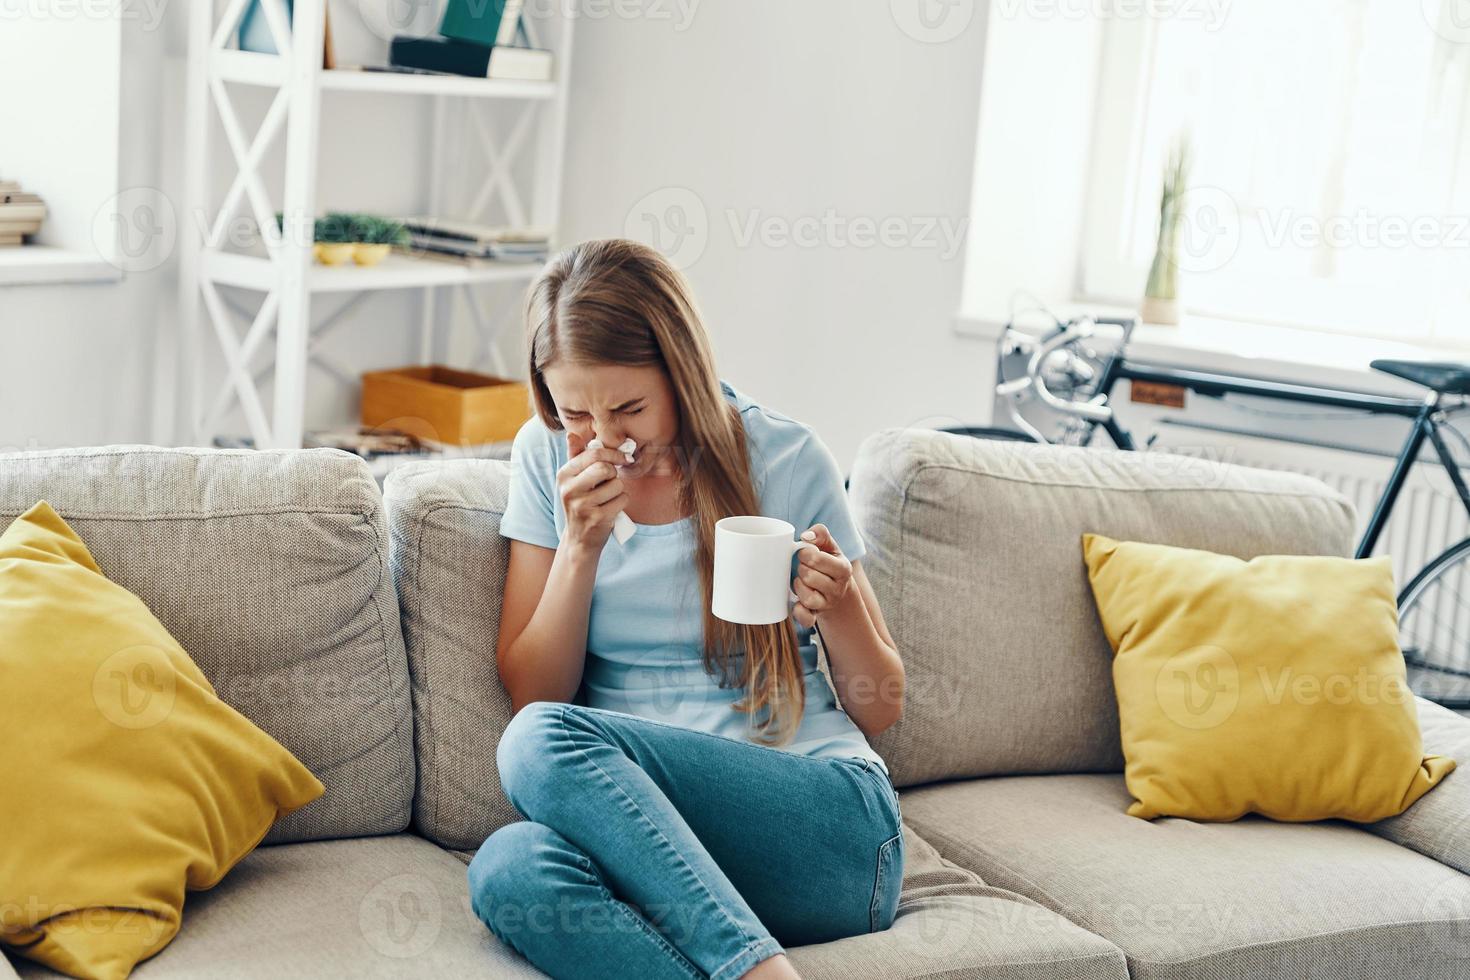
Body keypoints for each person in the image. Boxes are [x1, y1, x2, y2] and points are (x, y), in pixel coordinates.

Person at [468, 238, 906, 980]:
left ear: (682, 373)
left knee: (538, 739)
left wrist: (839, 611)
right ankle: (750, 963)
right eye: (576, 412)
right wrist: (580, 549)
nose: (606, 437)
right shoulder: (546, 459)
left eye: (629, 407)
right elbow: (534, 691)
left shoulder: (787, 457)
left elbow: (884, 707)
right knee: (510, 867)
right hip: (667, 853)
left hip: (828, 830)